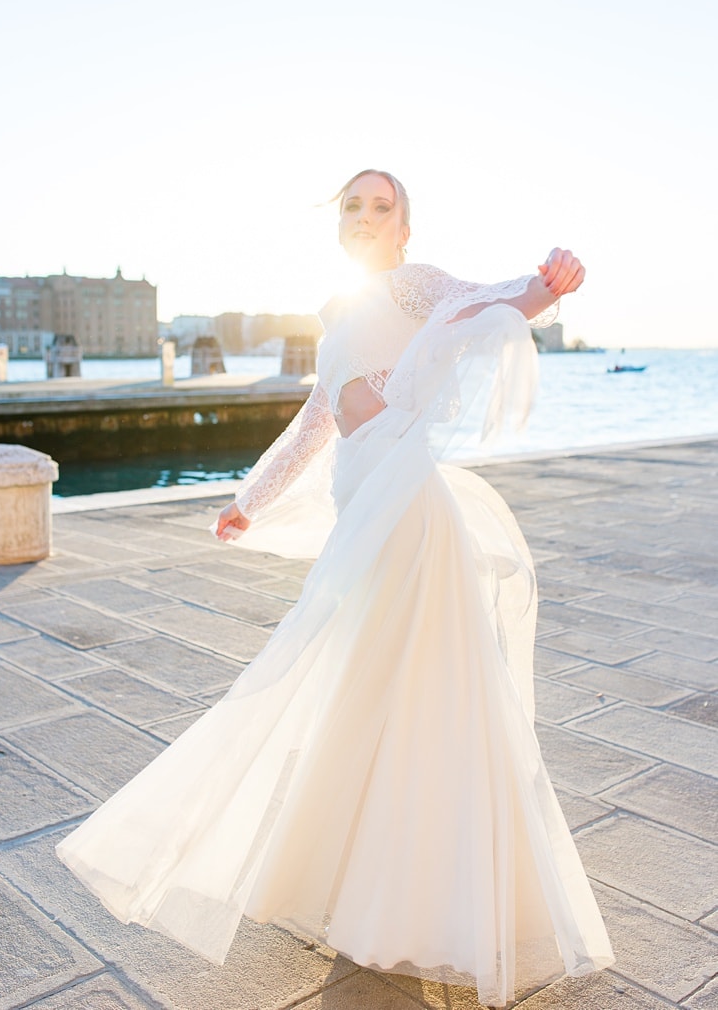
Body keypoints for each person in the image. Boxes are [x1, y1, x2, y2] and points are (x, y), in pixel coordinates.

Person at [56, 171, 613, 1007]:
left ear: (404, 228)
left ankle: (425, 904)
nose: (362, 216)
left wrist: (552, 279)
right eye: (351, 205)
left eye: (379, 205)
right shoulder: (336, 318)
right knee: (361, 692)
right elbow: (314, 425)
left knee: (415, 694)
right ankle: (365, 888)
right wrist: (248, 501)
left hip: (411, 521)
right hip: (365, 517)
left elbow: (494, 299)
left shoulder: (413, 284)